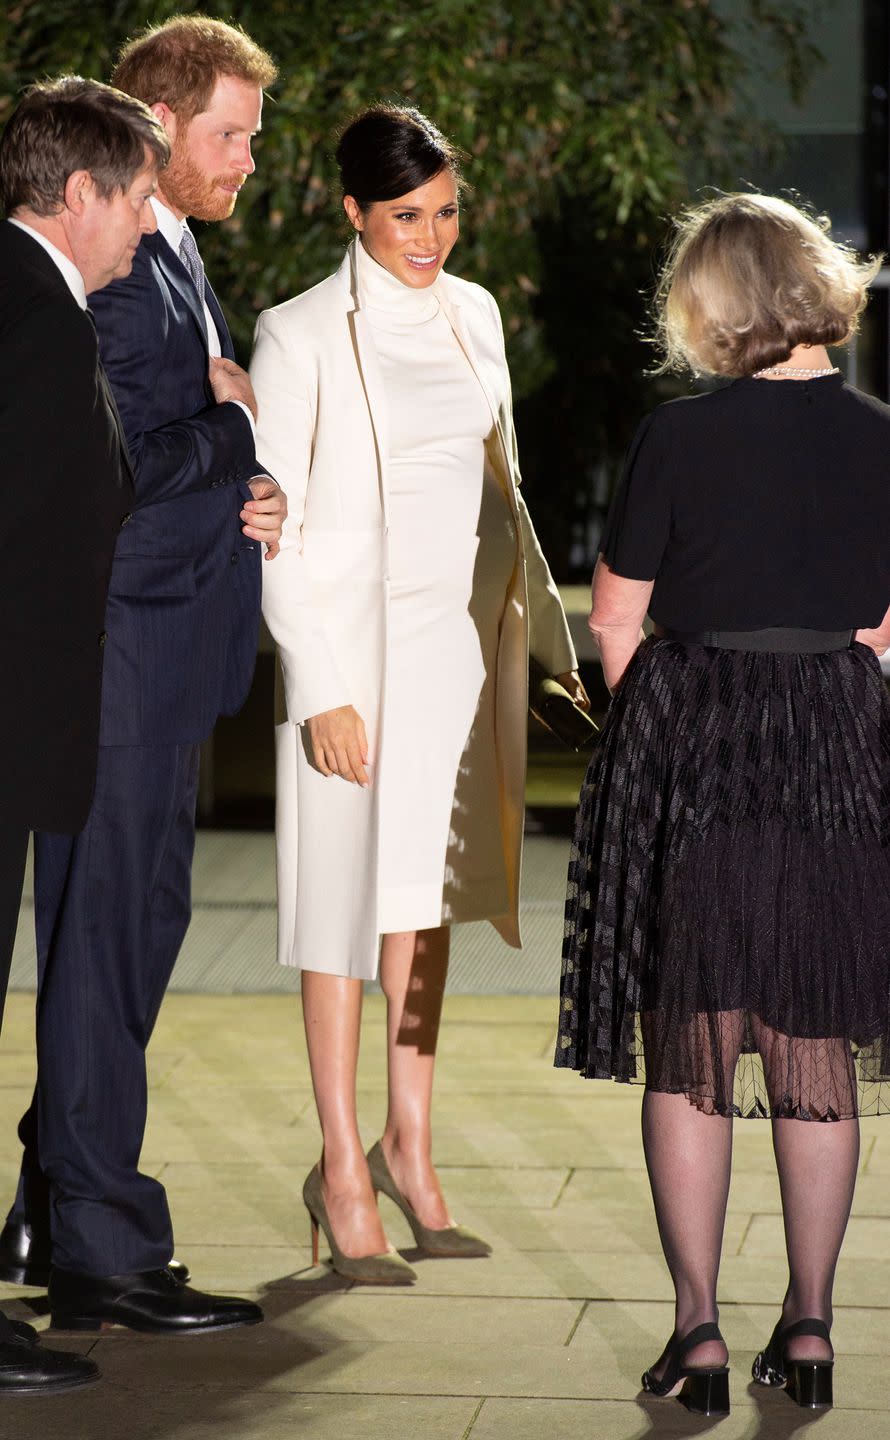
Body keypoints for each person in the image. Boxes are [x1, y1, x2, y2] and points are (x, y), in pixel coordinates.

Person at [556, 192, 890, 1416]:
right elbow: (884, 624)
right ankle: (807, 1328)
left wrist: (671, 717)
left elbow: (612, 615)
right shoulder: (877, 434)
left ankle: (694, 1334)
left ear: (712, 308)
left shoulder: (678, 439)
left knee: (694, 1043)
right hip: (832, 741)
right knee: (811, 1043)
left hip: (696, 739)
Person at [252, 104, 586, 1282]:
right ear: (353, 210)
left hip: (455, 657)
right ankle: (341, 1167)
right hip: (351, 660)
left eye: (445, 211)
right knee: (341, 915)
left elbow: (497, 485)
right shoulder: (298, 335)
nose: (430, 235)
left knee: (423, 904)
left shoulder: (476, 312)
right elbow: (275, 529)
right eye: (406, 216)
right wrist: (320, 684)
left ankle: (410, 1145)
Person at [0, 18, 284, 1335]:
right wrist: (230, 434)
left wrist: (250, 485)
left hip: (158, 662)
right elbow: (103, 475)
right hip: (112, 662)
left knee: (126, 948)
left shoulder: (168, 257)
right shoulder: (106, 278)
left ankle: (69, 1199)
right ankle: (98, 1245)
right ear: (157, 128)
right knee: (107, 950)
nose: (244, 160)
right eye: (229, 134)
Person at [0, 74, 167, 1391]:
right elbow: (70, 507)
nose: (147, 224)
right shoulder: (32, 316)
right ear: (81, 194)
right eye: (138, 196)